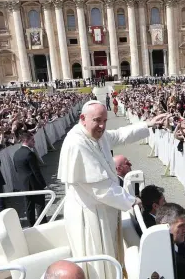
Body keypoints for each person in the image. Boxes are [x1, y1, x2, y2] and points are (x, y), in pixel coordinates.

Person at [58, 100, 167, 278]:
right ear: (82, 118)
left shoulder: (95, 135)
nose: (102, 126)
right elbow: (100, 189)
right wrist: (132, 200)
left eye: (105, 121)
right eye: (97, 121)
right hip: (89, 215)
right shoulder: (77, 143)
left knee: (110, 257)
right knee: (98, 263)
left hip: (103, 210)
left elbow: (119, 135)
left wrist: (147, 124)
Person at [13, 131, 47, 226]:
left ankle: (31, 225)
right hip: (34, 183)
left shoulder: (16, 153)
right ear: (26, 140)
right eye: (32, 140)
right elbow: (36, 171)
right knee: (40, 205)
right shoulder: (29, 154)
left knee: (29, 206)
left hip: (24, 184)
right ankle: (43, 224)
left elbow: (16, 169)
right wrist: (43, 185)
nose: (34, 142)